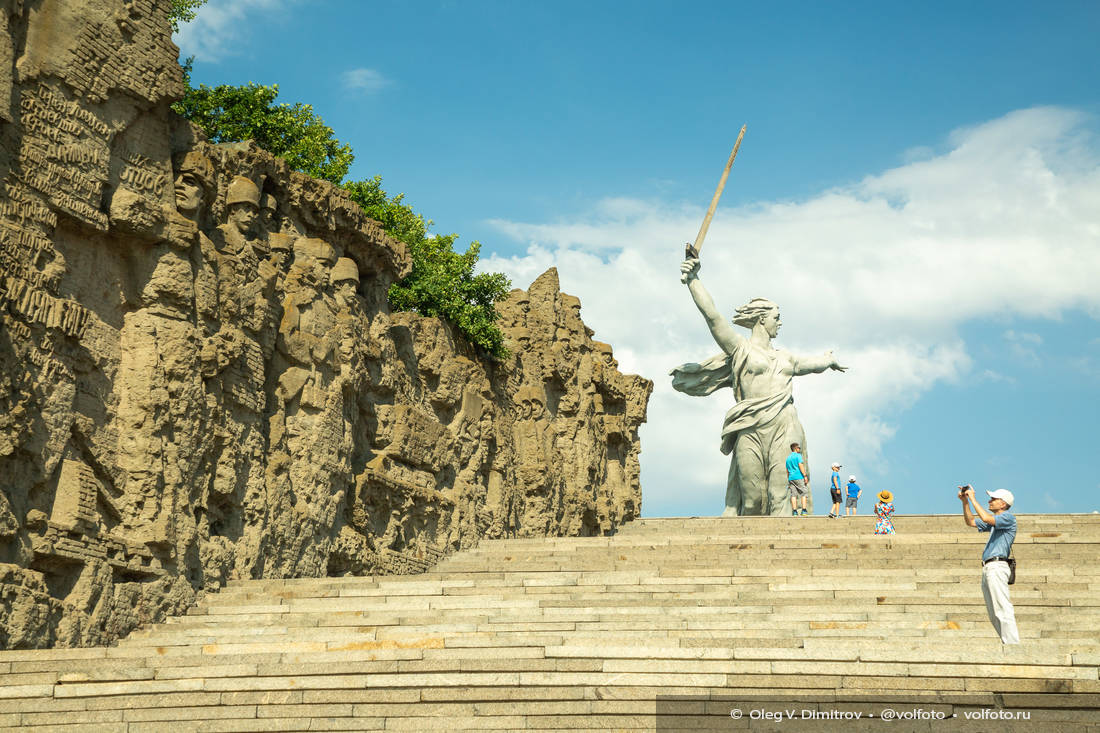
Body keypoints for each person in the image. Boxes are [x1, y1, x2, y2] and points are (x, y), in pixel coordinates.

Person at [671, 257, 846, 516]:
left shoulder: (786, 357)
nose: (780, 322)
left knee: (781, 495)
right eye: (777, 317)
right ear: (762, 319)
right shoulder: (740, 349)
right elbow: (713, 317)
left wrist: (828, 359)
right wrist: (694, 280)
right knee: (751, 499)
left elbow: (813, 363)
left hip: (784, 424)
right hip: (749, 425)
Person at [960, 485, 1019, 644]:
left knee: (1002, 607)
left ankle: (1013, 644)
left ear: (1003, 504)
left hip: (998, 566)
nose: (990, 501)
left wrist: (973, 498)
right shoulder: (996, 522)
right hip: (988, 567)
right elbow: (971, 522)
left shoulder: (1008, 518)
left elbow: (985, 518)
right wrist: (965, 501)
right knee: (993, 612)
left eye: (994, 499)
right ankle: (1007, 642)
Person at [785, 442, 809, 516]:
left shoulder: (788, 458)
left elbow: (787, 470)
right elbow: (800, 465)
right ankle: (804, 510)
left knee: (793, 495)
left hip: (791, 478)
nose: (799, 449)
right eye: (799, 448)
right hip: (798, 476)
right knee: (804, 492)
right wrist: (805, 475)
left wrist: (788, 478)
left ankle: (794, 511)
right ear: (795, 448)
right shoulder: (798, 456)